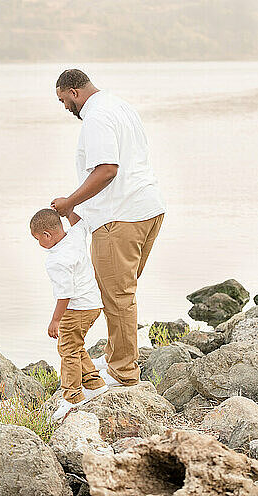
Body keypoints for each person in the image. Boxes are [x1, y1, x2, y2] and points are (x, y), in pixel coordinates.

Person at [51, 69, 166, 387]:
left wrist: (70, 203)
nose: (64, 108)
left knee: (117, 296)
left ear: (73, 92)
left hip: (121, 218)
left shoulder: (96, 117)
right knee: (120, 292)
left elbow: (106, 171)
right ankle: (117, 354)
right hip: (147, 210)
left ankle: (124, 372)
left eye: (63, 101)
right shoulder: (120, 106)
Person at [30, 207, 107, 421]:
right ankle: (94, 383)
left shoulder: (56, 260)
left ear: (47, 235)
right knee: (75, 345)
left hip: (77, 308)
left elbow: (65, 294)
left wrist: (55, 320)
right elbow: (80, 223)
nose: (39, 244)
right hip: (93, 304)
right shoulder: (74, 236)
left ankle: (72, 397)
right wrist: (68, 209)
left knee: (67, 350)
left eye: (38, 239)